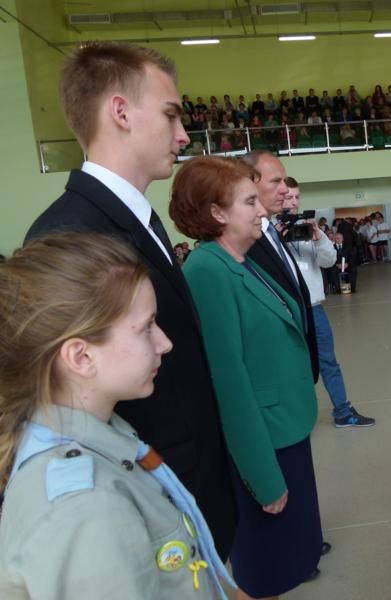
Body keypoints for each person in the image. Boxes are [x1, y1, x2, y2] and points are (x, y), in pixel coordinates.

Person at [23, 41, 236, 557]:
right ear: (120, 112)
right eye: (169, 115)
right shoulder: (71, 233)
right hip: (145, 493)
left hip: (186, 470)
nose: (183, 135)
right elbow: (68, 406)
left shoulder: (138, 215)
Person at [0, 233, 233, 599]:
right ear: (81, 357)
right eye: (146, 328)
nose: (165, 343)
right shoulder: (84, 510)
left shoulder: (101, 434)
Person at [170, 156, 324, 600]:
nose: (262, 209)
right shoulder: (208, 271)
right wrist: (263, 476)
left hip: (286, 429)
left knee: (289, 561)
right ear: (218, 212)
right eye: (250, 200)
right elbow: (230, 383)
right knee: (264, 573)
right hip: (263, 444)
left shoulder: (242, 260)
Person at [283, 177, 375, 428]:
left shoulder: (310, 228)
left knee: (328, 361)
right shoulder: (265, 231)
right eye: (287, 197)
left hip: (313, 307)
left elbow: (328, 261)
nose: (292, 203)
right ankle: (293, 417)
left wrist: (319, 238)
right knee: (289, 365)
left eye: (296, 197)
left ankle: (343, 412)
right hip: (284, 312)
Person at [241, 150, 319, 383]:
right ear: (249, 183)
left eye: (284, 182)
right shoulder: (245, 240)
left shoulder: (270, 232)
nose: (285, 190)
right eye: (276, 181)